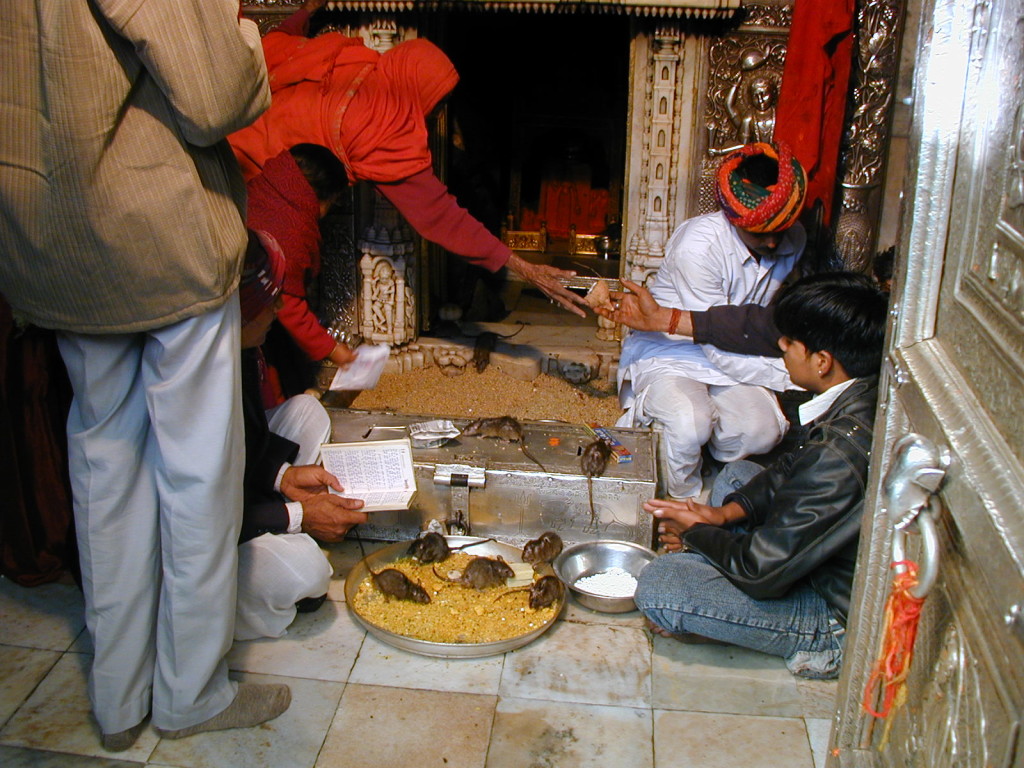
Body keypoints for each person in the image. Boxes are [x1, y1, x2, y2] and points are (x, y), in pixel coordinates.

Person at [0, 0, 284, 752]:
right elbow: (215, 95)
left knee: (103, 467)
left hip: (49, 232)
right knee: (195, 477)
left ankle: (119, 697)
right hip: (157, 234)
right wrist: (246, 29)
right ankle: (188, 694)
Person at [228, 0, 589, 317]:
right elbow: (443, 218)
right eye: (435, 105)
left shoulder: (349, 57)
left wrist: (305, 11)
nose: (431, 117)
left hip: (222, 141)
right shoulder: (387, 132)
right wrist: (525, 268)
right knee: (270, 295)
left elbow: (276, 45)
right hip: (252, 189)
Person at [634, 272, 887, 679]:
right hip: (822, 556)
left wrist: (693, 534)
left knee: (662, 585)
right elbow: (792, 465)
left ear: (822, 362)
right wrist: (721, 516)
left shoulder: (839, 453)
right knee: (736, 479)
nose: (782, 350)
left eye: (789, 344)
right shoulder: (859, 394)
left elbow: (761, 572)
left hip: (834, 610)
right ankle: (720, 558)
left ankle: (813, 643)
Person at [615, 142, 808, 499]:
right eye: (759, 232)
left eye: (779, 229)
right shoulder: (699, 247)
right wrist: (794, 376)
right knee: (691, 422)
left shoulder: (793, 239)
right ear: (733, 219)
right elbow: (713, 337)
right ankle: (682, 496)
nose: (771, 242)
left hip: (739, 348)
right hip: (675, 347)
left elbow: (749, 325)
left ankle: (706, 461)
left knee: (762, 431)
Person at [235, 231, 368, 640]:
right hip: (187, 538)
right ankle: (233, 608)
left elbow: (245, 443)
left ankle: (279, 521)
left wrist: (283, 477)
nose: (278, 311)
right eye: (269, 301)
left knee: (306, 411)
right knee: (308, 575)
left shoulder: (240, 350)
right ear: (242, 306)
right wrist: (298, 515)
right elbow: (195, 513)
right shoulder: (198, 377)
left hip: (233, 495)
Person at [246, 144, 356, 396]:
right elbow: (288, 305)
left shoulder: (263, 187)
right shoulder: (290, 232)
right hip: (247, 322)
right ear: (321, 198)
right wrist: (332, 349)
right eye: (332, 203)